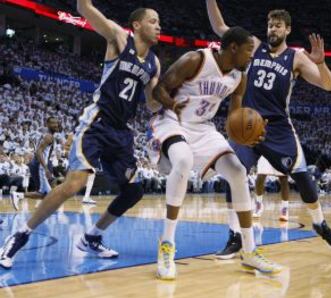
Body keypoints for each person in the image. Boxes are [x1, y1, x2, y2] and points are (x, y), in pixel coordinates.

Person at [0, 0, 161, 269]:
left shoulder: (154, 63)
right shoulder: (119, 38)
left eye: (159, 23)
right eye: (153, 21)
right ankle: (20, 234)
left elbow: (152, 102)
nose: (158, 27)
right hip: (97, 123)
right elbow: (83, 7)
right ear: (137, 24)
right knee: (74, 183)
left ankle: (92, 237)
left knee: (133, 192)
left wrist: (177, 98)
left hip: (121, 133)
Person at [207, 0, 331, 261]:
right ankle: (234, 236)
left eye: (278, 26)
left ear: (287, 30)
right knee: (234, 173)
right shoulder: (253, 46)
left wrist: (322, 63)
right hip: (248, 124)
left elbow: (329, 86)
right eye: (270, 25)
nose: (273, 29)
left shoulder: (297, 57)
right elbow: (219, 26)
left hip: (278, 128)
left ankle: (320, 223)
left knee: (302, 177)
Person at [148, 26, 282, 280]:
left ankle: (249, 250)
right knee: (184, 160)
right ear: (233, 47)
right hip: (172, 120)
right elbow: (159, 90)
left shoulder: (239, 78)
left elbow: (234, 118)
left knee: (238, 171)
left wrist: (251, 132)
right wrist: (172, 104)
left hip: (203, 128)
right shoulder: (196, 60)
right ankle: (166, 244)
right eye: (249, 51)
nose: (251, 57)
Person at [10, 117, 60, 211]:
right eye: (53, 123)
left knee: (45, 194)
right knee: (47, 194)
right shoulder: (48, 136)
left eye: (57, 123)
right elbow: (38, 152)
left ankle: (20, 196)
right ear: (47, 125)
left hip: (39, 164)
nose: (56, 125)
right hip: (40, 165)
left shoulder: (48, 136)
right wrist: (45, 168)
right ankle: (18, 195)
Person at [253, 156, 290, 221]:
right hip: (266, 149)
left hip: (281, 150)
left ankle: (285, 208)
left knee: (283, 178)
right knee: (260, 176)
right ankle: (259, 205)